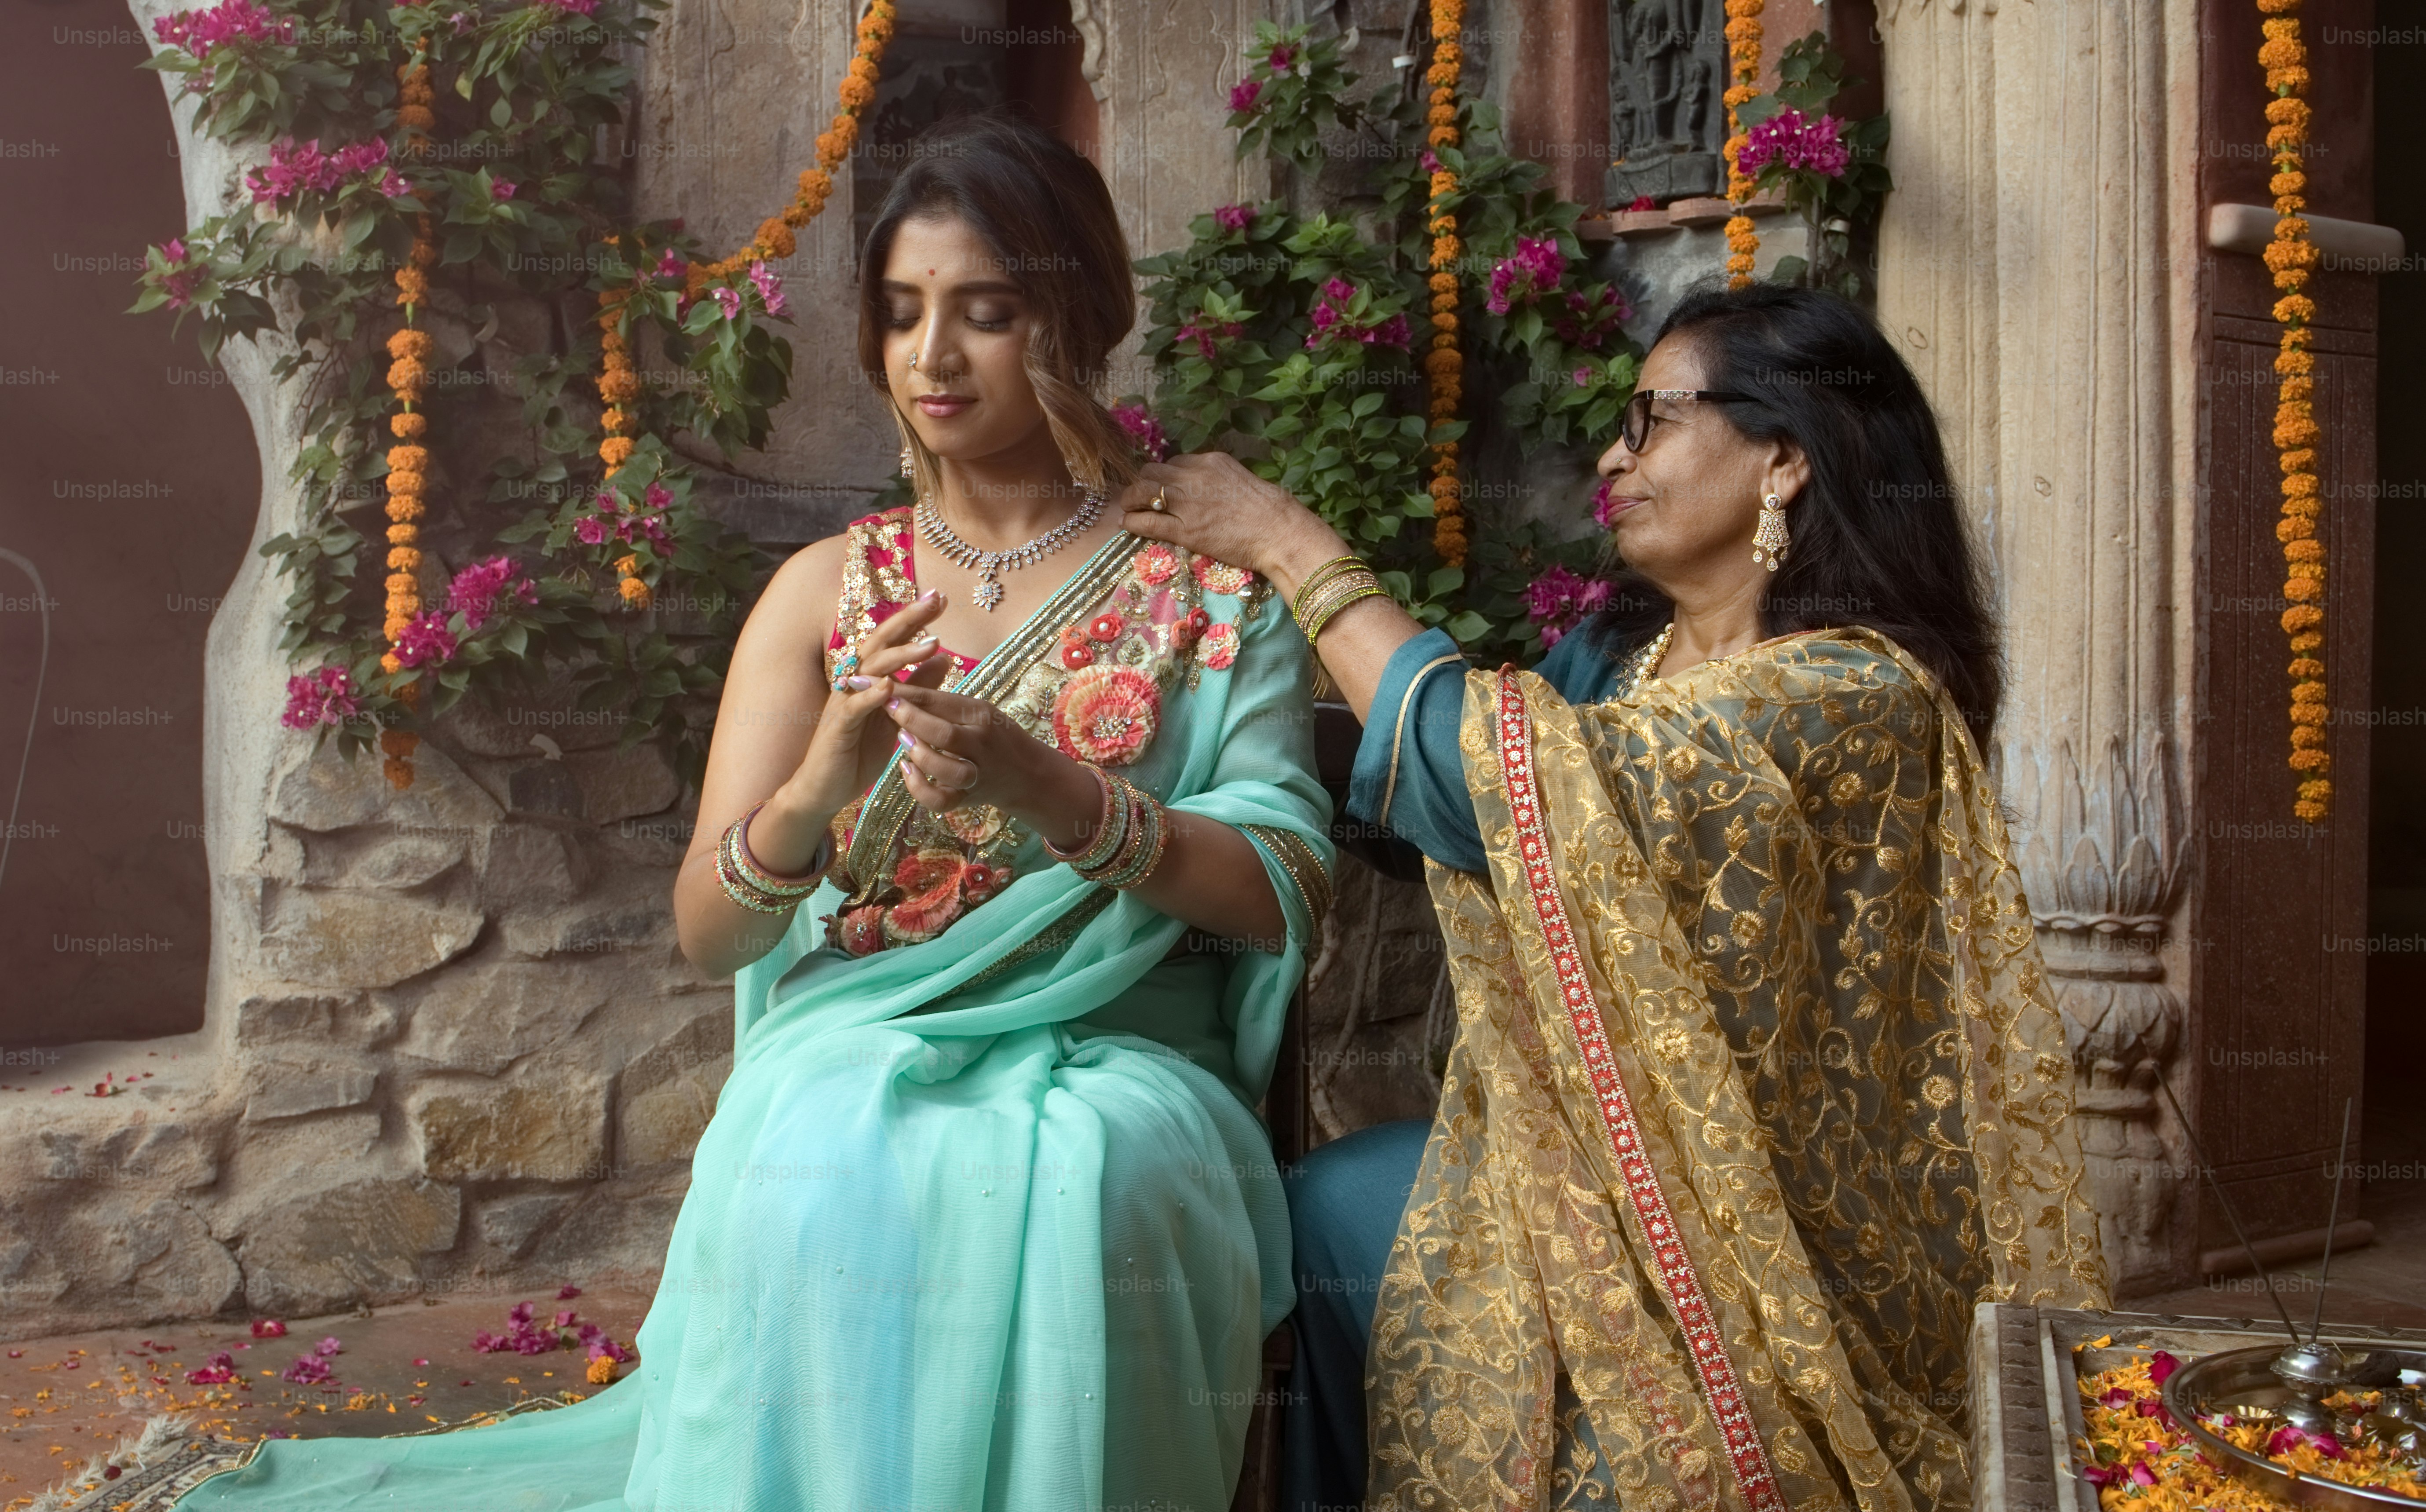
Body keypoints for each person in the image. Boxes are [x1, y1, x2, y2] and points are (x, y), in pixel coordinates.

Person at [170, 110, 1332, 1512]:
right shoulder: (825, 592)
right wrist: (823, 780)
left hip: (1124, 1051)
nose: (932, 359)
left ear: (1076, 316)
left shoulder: (1209, 589)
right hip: (871, 1030)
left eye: (986, 312)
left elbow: (1277, 889)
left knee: (1086, 1176)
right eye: (901, 315)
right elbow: (713, 938)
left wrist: (1050, 785)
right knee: (812, 1147)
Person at [1115, 281, 2110, 1512]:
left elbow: (1482, 773)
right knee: (1323, 1208)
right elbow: (1468, 812)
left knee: (1625, 1452)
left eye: (1650, 422)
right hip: (1576, 1170)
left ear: (1784, 459)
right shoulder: (1609, 658)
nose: (1611, 456)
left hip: (1774, 1242)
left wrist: (1289, 543)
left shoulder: (1856, 694)